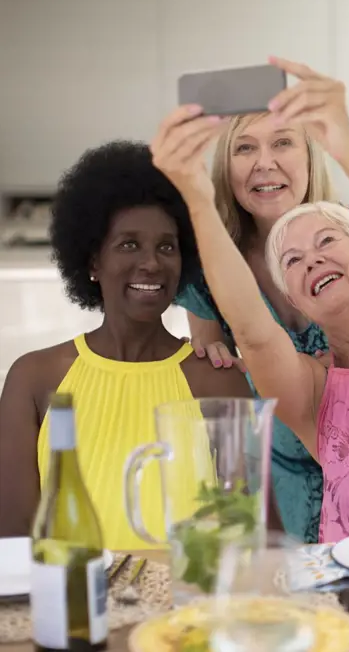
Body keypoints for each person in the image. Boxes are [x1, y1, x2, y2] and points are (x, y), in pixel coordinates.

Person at [152, 57, 349, 542]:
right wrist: (193, 192)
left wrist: (347, 146)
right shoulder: (313, 392)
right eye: (291, 261)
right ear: (289, 294)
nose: (311, 260)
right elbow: (252, 330)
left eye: (328, 242)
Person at [0, 141, 256, 550]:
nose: (151, 263)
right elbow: (12, 546)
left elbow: (250, 534)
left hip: (184, 607)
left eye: (166, 246)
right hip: (74, 605)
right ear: (92, 263)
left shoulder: (216, 380)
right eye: (129, 244)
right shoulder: (34, 378)